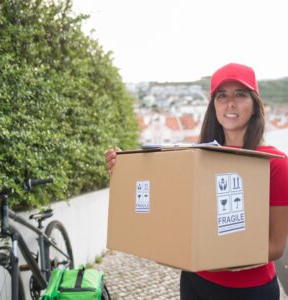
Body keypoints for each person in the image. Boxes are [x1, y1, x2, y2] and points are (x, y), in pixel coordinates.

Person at [105, 63, 288, 300]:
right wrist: (124, 171)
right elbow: (166, 199)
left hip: (250, 291)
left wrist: (214, 259)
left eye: (240, 95)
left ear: (255, 106)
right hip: (196, 283)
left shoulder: (275, 163)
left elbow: (275, 246)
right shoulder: (197, 157)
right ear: (214, 107)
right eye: (222, 96)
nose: (230, 103)